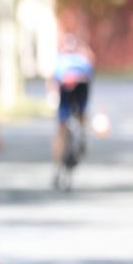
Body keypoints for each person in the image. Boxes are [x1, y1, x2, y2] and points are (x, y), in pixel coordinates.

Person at [51, 32, 94, 185]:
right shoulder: (83, 57)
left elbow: (53, 81)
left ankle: (56, 168)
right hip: (82, 84)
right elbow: (90, 75)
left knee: (61, 127)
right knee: (82, 112)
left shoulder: (60, 59)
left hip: (65, 85)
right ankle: (82, 134)